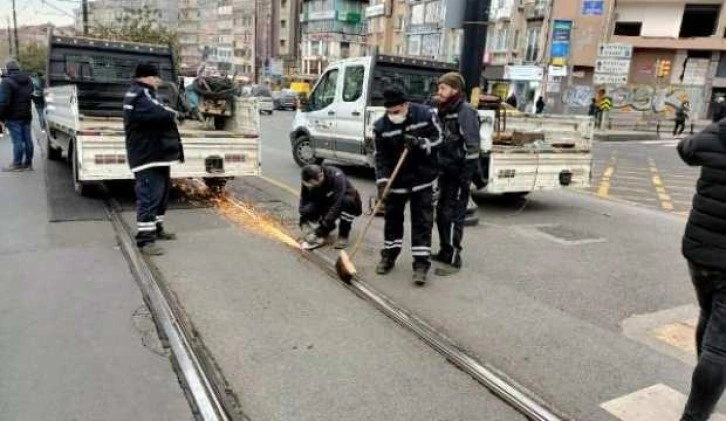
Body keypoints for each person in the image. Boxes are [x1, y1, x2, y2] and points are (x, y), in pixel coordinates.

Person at [677, 120, 726, 421]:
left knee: (708, 315)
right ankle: (694, 416)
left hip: (700, 253)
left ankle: (705, 375)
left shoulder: (717, 134)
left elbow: (686, 149)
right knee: (720, 349)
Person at [373, 87, 442, 285]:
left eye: (396, 111)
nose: (393, 115)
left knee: (422, 222)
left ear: (405, 105)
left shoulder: (425, 115)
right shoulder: (381, 126)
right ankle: (389, 256)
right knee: (392, 221)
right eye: (389, 112)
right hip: (397, 181)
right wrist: (382, 182)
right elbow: (380, 157)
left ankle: (421, 264)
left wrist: (421, 143)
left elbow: (439, 138)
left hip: (422, 178)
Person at [124, 62, 184, 256]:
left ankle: (156, 228)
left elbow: (159, 108)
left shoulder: (145, 92)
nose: (159, 80)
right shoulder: (139, 94)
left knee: (161, 194)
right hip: (147, 155)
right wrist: (177, 114)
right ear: (146, 77)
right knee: (149, 197)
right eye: (156, 76)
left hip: (157, 155)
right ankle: (145, 240)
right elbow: (158, 112)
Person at [433, 72, 481, 276]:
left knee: (453, 216)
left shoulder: (465, 111)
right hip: (446, 171)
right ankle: (445, 251)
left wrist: (466, 177)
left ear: (455, 89)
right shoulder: (444, 110)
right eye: (439, 88)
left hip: (459, 174)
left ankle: (454, 258)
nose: (439, 92)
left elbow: (473, 147)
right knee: (441, 213)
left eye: (443, 88)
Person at [298, 164, 362, 250]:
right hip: (326, 199)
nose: (310, 187)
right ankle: (327, 227)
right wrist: (304, 215)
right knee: (306, 210)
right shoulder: (308, 180)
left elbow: (336, 206)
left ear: (320, 176)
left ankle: (343, 235)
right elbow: (304, 199)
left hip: (343, 201)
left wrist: (322, 229)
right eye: (309, 185)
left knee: (347, 202)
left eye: (312, 184)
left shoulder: (337, 177)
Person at [0, 59, 33, 172]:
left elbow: (3, 102)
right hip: (26, 114)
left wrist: (1, 117)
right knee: (28, 140)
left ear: (8, 69)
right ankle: (28, 163)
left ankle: (17, 164)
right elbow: (31, 93)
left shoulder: (6, 82)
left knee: (17, 141)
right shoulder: (28, 80)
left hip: (13, 116)